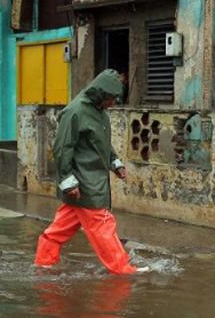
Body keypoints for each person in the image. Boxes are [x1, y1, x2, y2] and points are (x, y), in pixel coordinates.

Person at [34, 69, 146, 274]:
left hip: (89, 181)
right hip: (85, 183)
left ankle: (43, 263)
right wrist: (68, 181)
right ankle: (123, 270)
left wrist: (115, 163)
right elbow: (62, 148)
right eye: (111, 99)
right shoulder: (75, 112)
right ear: (101, 94)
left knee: (59, 229)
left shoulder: (99, 112)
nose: (113, 103)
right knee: (103, 225)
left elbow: (100, 144)